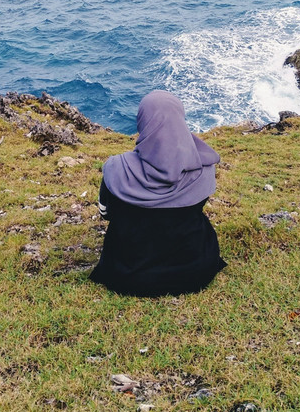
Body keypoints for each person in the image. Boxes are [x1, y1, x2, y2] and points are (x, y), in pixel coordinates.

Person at [89, 90, 226, 297]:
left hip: (129, 274)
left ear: (143, 121)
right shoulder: (203, 168)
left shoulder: (116, 168)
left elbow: (105, 214)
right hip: (196, 269)